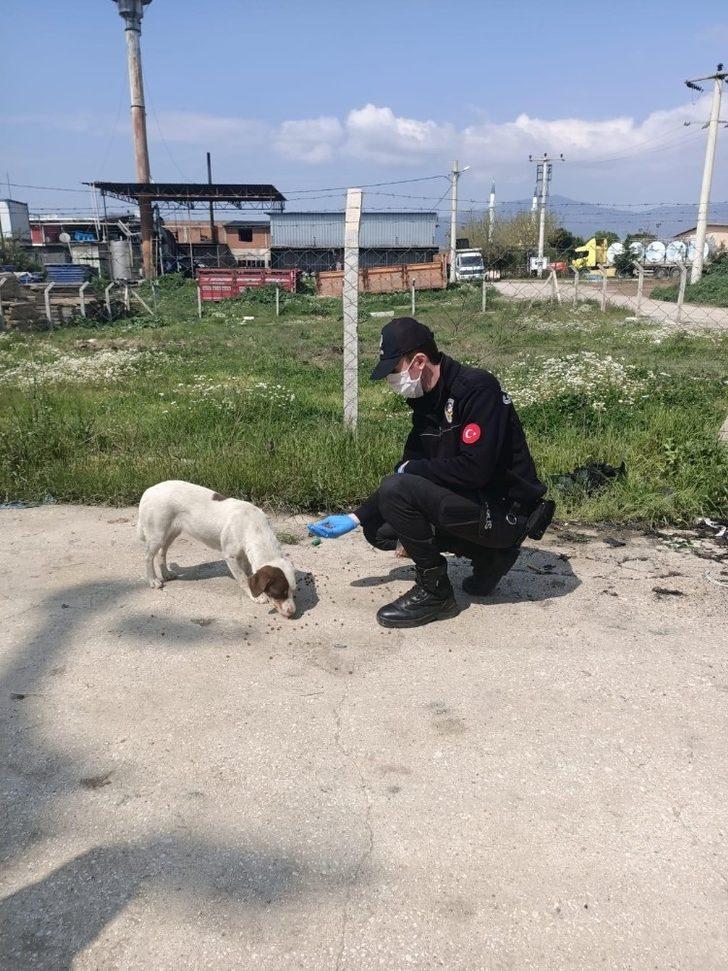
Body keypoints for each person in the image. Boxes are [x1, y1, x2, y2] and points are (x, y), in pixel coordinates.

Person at [308, 317, 554, 628]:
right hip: (473, 506)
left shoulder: (477, 390)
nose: (392, 381)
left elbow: (475, 470)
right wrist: (357, 517)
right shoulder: (427, 404)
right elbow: (405, 471)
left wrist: (412, 469)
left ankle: (435, 591)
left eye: (395, 370)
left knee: (397, 492)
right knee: (380, 527)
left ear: (419, 361)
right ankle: (490, 558)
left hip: (506, 512)